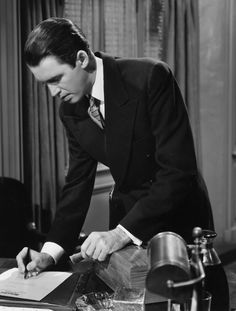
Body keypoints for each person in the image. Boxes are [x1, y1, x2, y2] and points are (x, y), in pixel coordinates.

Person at [16, 17, 214, 276]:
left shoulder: (150, 77)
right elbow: (77, 183)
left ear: (81, 59)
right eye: (46, 84)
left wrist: (120, 233)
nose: (53, 93)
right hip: (127, 225)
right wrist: (49, 253)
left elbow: (178, 171)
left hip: (176, 220)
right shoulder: (70, 110)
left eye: (56, 79)